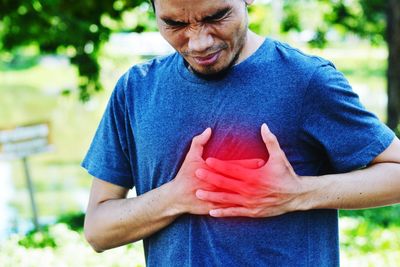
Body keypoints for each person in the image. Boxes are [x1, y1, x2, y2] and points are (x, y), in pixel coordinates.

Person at [82, 0, 400, 266]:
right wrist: (176, 196)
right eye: (174, 24)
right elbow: (98, 230)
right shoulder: (135, 89)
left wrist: (297, 194)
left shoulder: (306, 80)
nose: (198, 42)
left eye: (216, 16)